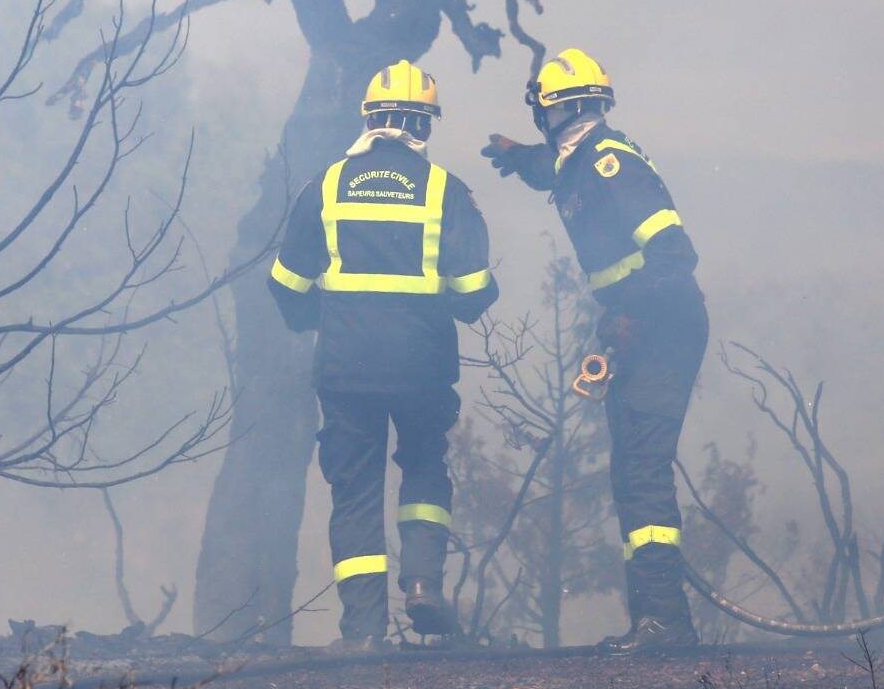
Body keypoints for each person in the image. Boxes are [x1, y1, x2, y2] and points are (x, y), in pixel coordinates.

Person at [482, 48, 708, 652]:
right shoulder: (579, 161)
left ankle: (665, 623)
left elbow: (675, 255)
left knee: (643, 468)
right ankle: (656, 620)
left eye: (544, 112)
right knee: (630, 470)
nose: (541, 122)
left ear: (563, 110)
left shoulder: (612, 164)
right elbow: (556, 171)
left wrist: (632, 314)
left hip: (664, 328)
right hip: (640, 327)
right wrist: (517, 158)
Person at [267, 60, 498, 650]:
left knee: (356, 492)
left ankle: (363, 632)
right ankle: (422, 584)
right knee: (423, 468)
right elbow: (474, 296)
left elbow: (285, 285)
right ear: (426, 124)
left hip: (346, 371)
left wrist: (324, 322)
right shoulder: (447, 191)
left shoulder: (324, 185)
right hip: (421, 367)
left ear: (368, 118)